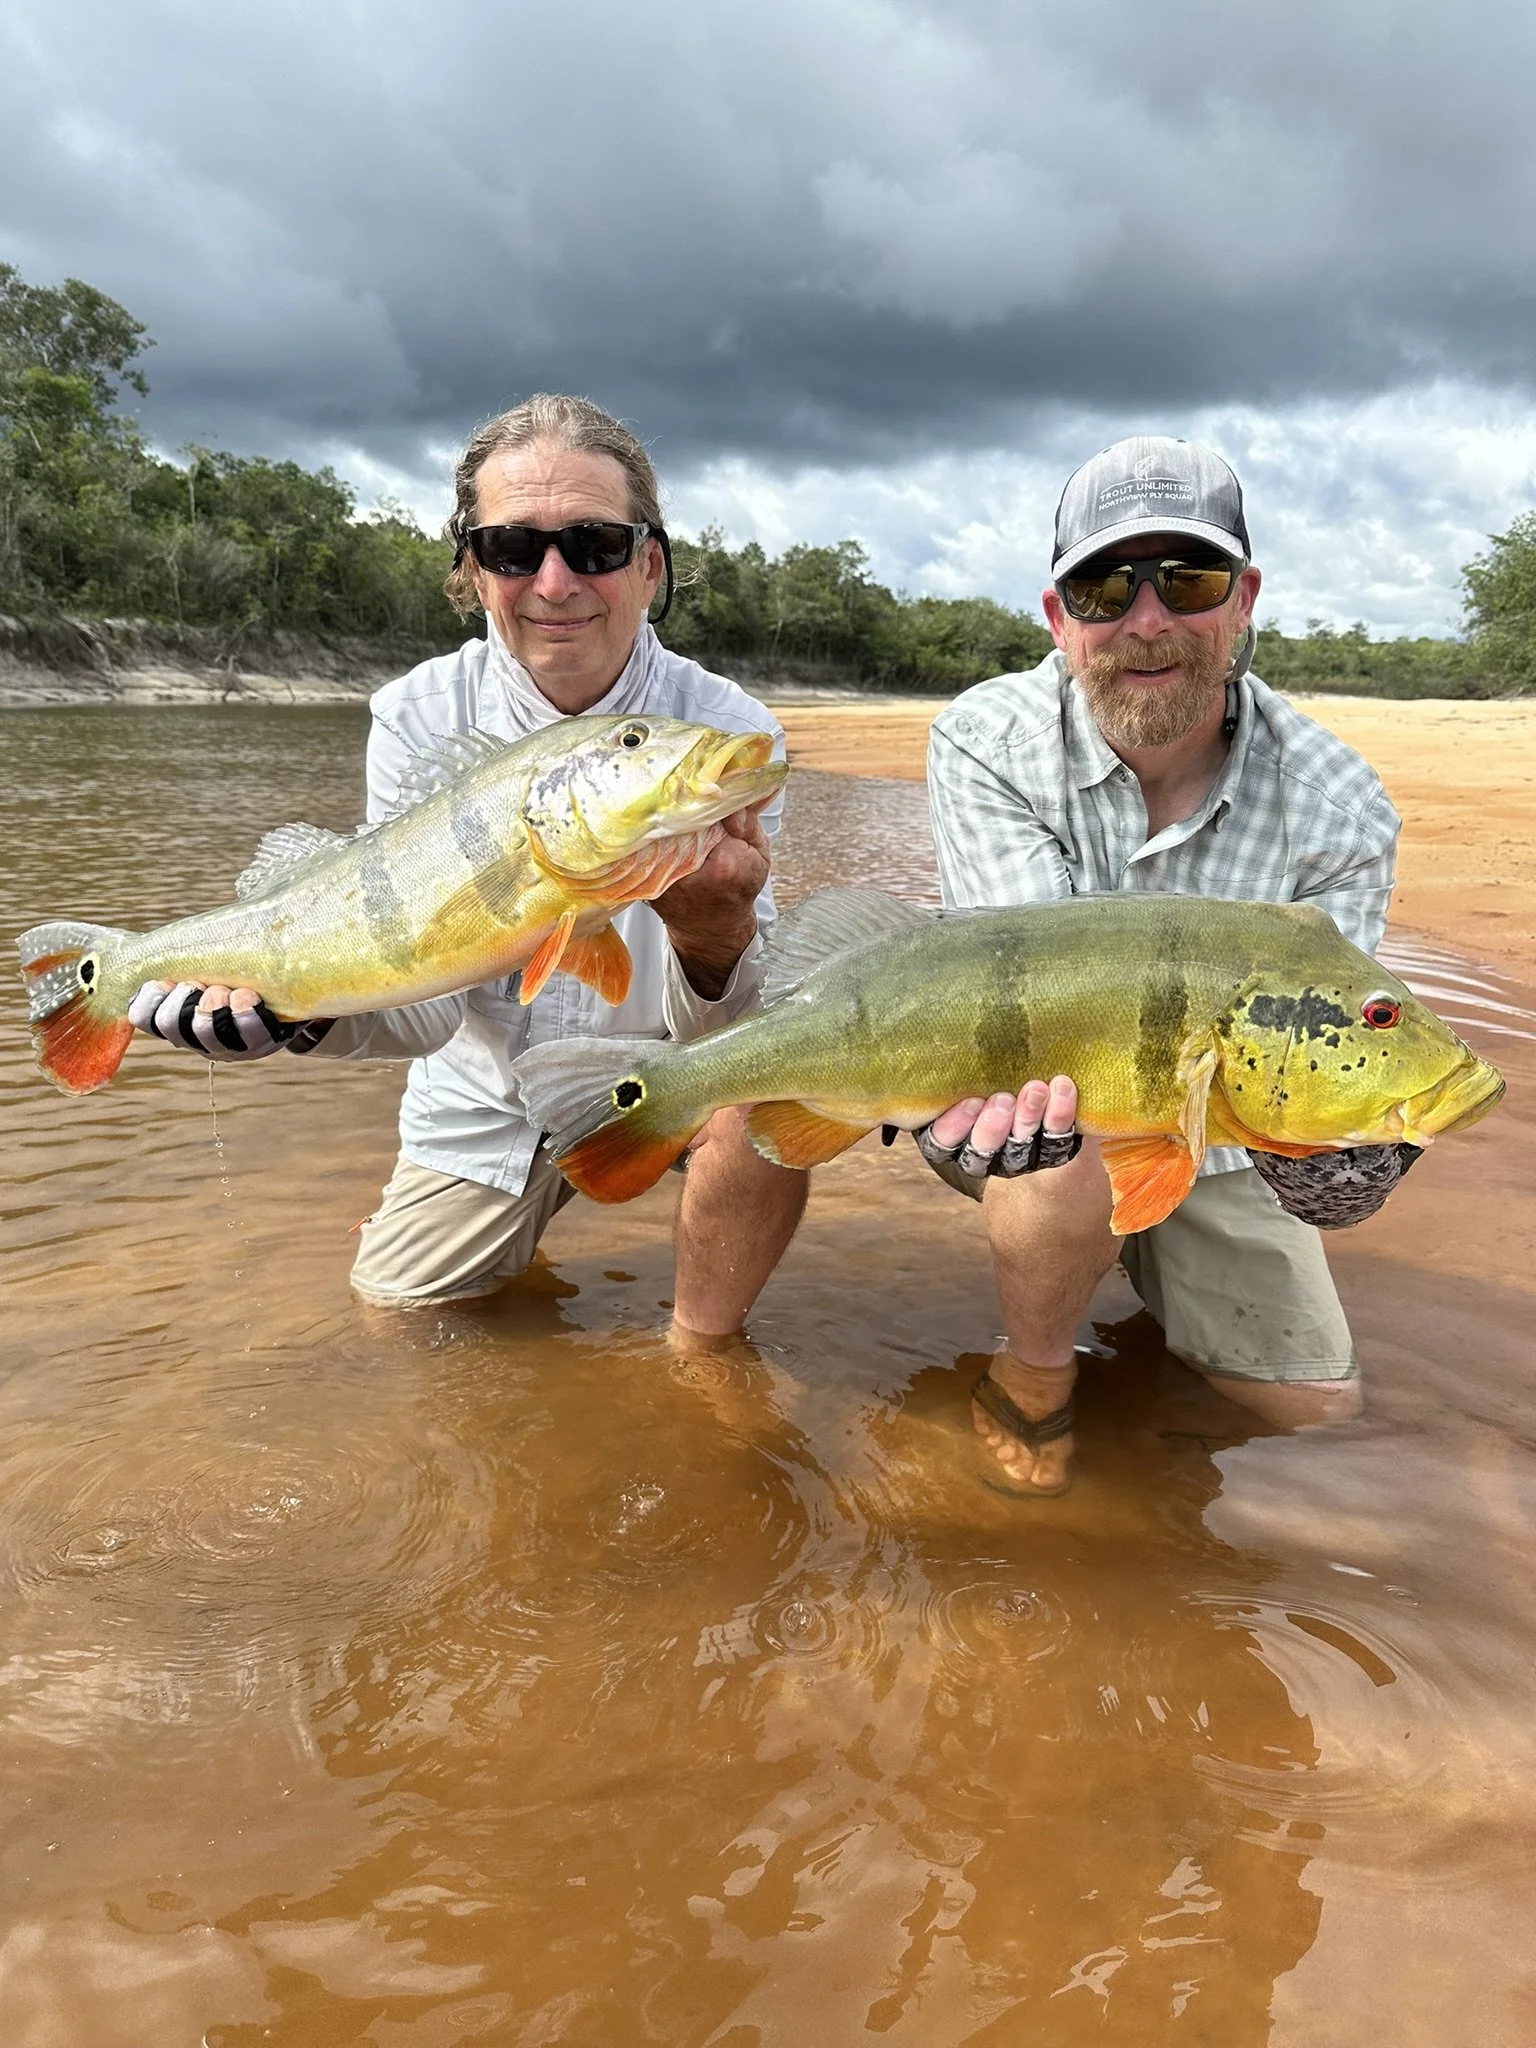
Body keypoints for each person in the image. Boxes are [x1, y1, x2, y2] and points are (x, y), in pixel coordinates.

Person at [126, 394, 810, 1328]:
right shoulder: (416, 718)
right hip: (489, 1103)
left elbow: (743, 1025)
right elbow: (425, 1009)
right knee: (398, 1326)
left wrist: (714, 936)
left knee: (768, 1087)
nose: (556, 582)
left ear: (650, 567)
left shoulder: (728, 737)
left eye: (597, 545)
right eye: (513, 549)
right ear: (474, 573)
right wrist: (294, 1013)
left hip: (679, 1081)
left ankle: (704, 1356)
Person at [918, 435, 1407, 1495]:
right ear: (1059, 616)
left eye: (1187, 580)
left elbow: (1323, 1068)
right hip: (1040, 1113)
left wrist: (1351, 1155)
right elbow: (1036, 1015)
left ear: (1244, 601)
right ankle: (1036, 1373)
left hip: (1223, 1144)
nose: (1146, 621)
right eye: (1104, 585)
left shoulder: (1342, 811)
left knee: (1320, 1422)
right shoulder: (985, 741)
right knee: (1052, 1159)